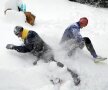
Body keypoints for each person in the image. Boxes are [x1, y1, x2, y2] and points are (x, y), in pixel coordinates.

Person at [6, 26, 81, 86]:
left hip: (46, 52)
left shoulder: (30, 36)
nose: (18, 36)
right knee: (50, 66)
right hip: (43, 53)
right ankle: (57, 79)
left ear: (21, 31)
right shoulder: (27, 35)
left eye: (17, 34)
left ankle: (73, 75)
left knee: (55, 64)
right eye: (16, 35)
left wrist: (14, 47)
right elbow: (29, 45)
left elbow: (27, 48)